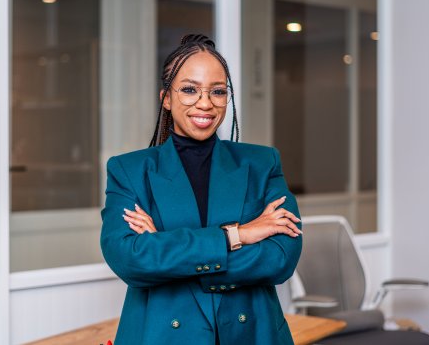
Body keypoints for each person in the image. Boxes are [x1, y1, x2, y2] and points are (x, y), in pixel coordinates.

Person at [101, 34, 302, 345]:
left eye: (218, 91)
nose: (205, 103)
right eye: (190, 89)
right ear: (166, 97)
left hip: (252, 334)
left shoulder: (262, 163)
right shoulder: (129, 170)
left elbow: (280, 258)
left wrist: (164, 248)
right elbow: (129, 260)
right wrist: (239, 235)